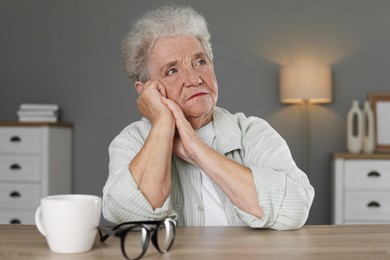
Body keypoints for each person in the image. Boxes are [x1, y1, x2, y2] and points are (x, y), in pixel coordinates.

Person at [102, 5, 314, 230]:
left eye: (200, 62)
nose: (194, 79)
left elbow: (294, 208)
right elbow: (124, 214)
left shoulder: (252, 132)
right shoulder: (132, 140)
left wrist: (197, 150)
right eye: (172, 71)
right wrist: (163, 123)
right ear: (145, 90)